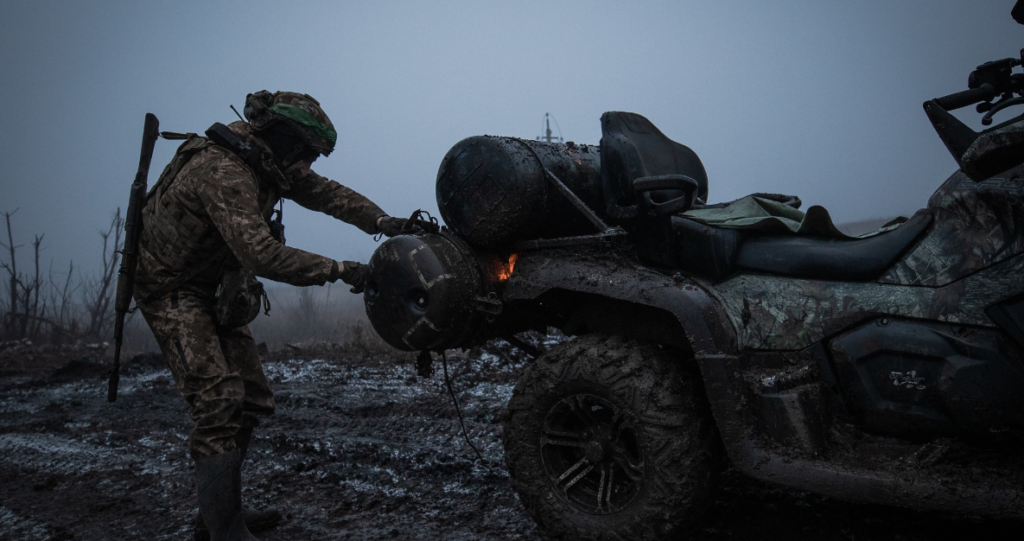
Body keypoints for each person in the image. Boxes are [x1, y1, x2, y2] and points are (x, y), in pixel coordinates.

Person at [133, 90, 408, 541]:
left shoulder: (269, 161)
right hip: (171, 289)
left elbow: (327, 195)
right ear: (282, 138)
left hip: (213, 286)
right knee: (218, 401)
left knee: (253, 397)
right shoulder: (223, 171)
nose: (308, 167)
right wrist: (339, 270)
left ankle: (219, 516)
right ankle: (225, 531)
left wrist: (382, 222)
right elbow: (262, 255)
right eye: (306, 154)